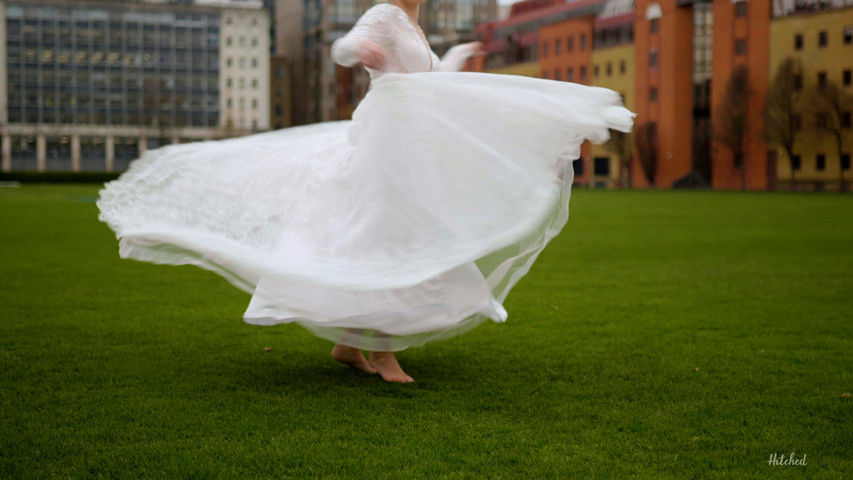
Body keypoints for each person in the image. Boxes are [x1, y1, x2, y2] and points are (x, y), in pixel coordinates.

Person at [97, 0, 634, 383]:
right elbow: (343, 46)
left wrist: (453, 61)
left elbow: (427, 86)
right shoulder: (385, 14)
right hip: (383, 148)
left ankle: (349, 345)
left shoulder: (418, 28)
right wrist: (364, 51)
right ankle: (382, 352)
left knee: (379, 240)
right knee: (384, 239)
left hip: (406, 149)